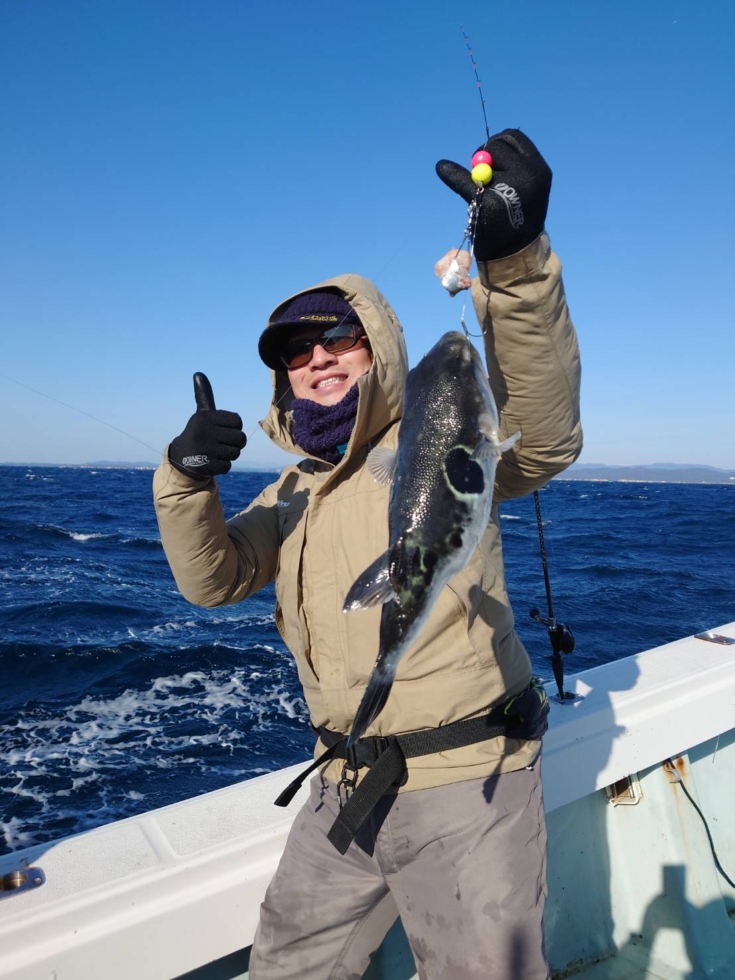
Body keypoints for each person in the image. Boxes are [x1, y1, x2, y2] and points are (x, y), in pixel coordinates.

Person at [153, 129, 582, 980]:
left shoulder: (441, 436)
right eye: (294, 352)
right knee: (285, 966)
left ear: (375, 346)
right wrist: (184, 479)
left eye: (336, 339)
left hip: (465, 787)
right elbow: (213, 581)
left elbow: (543, 436)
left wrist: (515, 267)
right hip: (341, 785)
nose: (315, 359)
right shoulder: (293, 491)